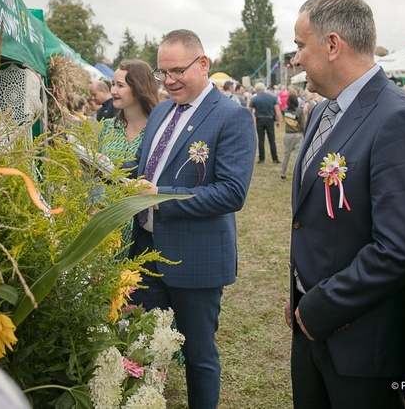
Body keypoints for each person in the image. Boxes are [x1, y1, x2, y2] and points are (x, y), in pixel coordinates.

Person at [284, 0, 405, 408]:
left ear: (333, 45)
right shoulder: (321, 111)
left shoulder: (399, 118)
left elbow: (400, 249)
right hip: (310, 326)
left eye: (301, 46)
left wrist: (319, 307)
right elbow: (313, 218)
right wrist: (300, 293)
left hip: (364, 344)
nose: (295, 59)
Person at [130, 29, 256, 409]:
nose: (168, 81)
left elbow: (232, 192)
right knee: (146, 346)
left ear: (203, 64)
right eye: (161, 73)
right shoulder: (163, 110)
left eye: (176, 71)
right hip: (146, 251)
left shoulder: (232, 116)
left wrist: (160, 199)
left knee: (198, 357)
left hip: (195, 260)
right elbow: (147, 168)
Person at [98, 59, 158, 169]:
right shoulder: (106, 127)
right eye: (113, 84)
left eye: (120, 85)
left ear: (139, 88)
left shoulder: (157, 131)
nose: (113, 91)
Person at [248, 82, 282, 163]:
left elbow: (249, 110)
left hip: (260, 119)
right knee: (272, 139)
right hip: (270, 119)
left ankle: (261, 158)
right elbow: (277, 110)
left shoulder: (255, 98)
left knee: (261, 139)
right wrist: (278, 120)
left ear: (257, 90)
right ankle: (275, 158)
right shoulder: (272, 97)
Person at [279, 93, 304, 180]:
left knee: (286, 155)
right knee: (297, 155)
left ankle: (283, 173)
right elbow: (302, 125)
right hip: (297, 134)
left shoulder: (284, 110)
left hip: (288, 135)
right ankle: (298, 173)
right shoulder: (299, 111)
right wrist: (304, 134)